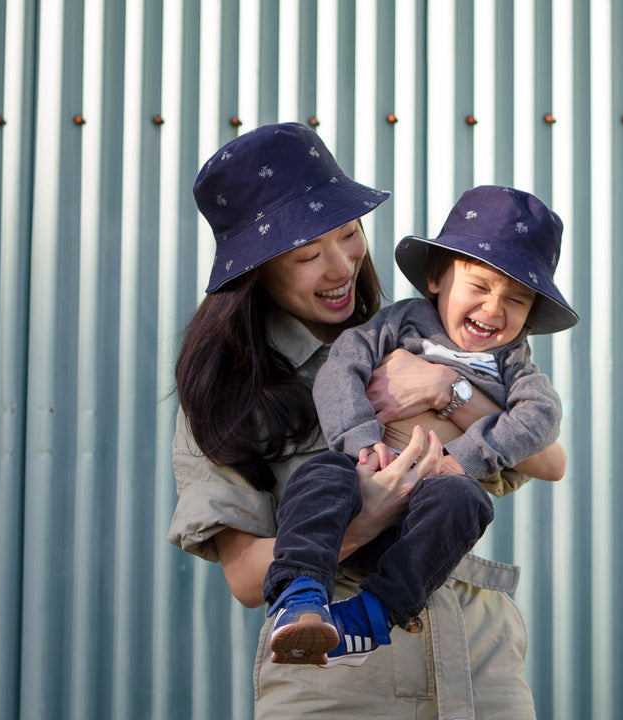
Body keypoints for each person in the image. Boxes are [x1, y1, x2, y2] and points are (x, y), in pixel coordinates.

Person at [166, 122, 554, 719]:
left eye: (349, 234)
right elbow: (245, 578)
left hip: (480, 663)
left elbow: (545, 456)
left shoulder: (424, 335)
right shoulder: (227, 394)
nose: (340, 266)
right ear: (257, 270)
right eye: (306, 255)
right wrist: (369, 513)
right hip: (341, 682)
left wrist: (446, 388)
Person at [265, 185, 579, 666]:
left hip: (428, 520)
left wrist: (462, 458)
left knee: (467, 501)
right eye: (479, 287)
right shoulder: (401, 324)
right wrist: (361, 442)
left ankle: (369, 617)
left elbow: (542, 421)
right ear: (436, 277)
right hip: (364, 484)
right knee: (320, 476)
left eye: (516, 301)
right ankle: (302, 596)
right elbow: (342, 367)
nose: (494, 310)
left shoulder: (513, 364)